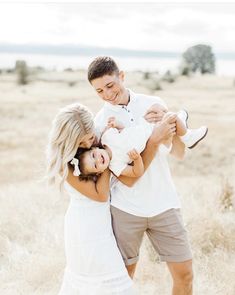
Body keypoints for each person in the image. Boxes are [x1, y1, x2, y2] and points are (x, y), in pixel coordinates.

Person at [87, 56, 196, 295]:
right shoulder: (100, 123)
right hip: (126, 210)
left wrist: (172, 131)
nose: (106, 94)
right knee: (124, 281)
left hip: (164, 204)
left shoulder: (153, 103)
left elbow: (178, 154)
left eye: (110, 85)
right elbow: (120, 172)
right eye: (99, 91)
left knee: (185, 275)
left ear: (122, 76)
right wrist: (152, 137)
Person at [46, 102, 176, 294]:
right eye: (81, 143)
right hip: (84, 229)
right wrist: (108, 157)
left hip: (105, 222)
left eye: (89, 138)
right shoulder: (67, 166)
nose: (88, 144)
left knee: (113, 280)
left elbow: (125, 152)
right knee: (99, 278)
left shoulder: (100, 136)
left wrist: (146, 127)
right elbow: (100, 195)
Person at [70, 107, 208, 179]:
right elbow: (137, 172)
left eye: (93, 155)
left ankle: (182, 125)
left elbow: (123, 129)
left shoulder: (106, 136)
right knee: (171, 118)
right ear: (100, 172)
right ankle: (188, 136)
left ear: (94, 148)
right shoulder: (115, 166)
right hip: (156, 142)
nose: (98, 159)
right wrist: (136, 159)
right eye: (96, 165)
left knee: (158, 108)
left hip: (145, 128)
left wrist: (116, 123)